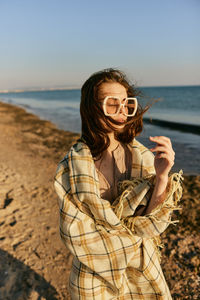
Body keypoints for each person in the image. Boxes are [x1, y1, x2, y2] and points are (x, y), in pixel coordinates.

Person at [54, 68, 183, 299]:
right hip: (93, 272)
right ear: (92, 108)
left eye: (126, 102)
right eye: (112, 103)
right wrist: (131, 239)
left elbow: (152, 224)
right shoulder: (71, 166)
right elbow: (74, 234)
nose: (122, 110)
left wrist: (162, 176)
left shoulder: (141, 157)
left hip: (142, 267)